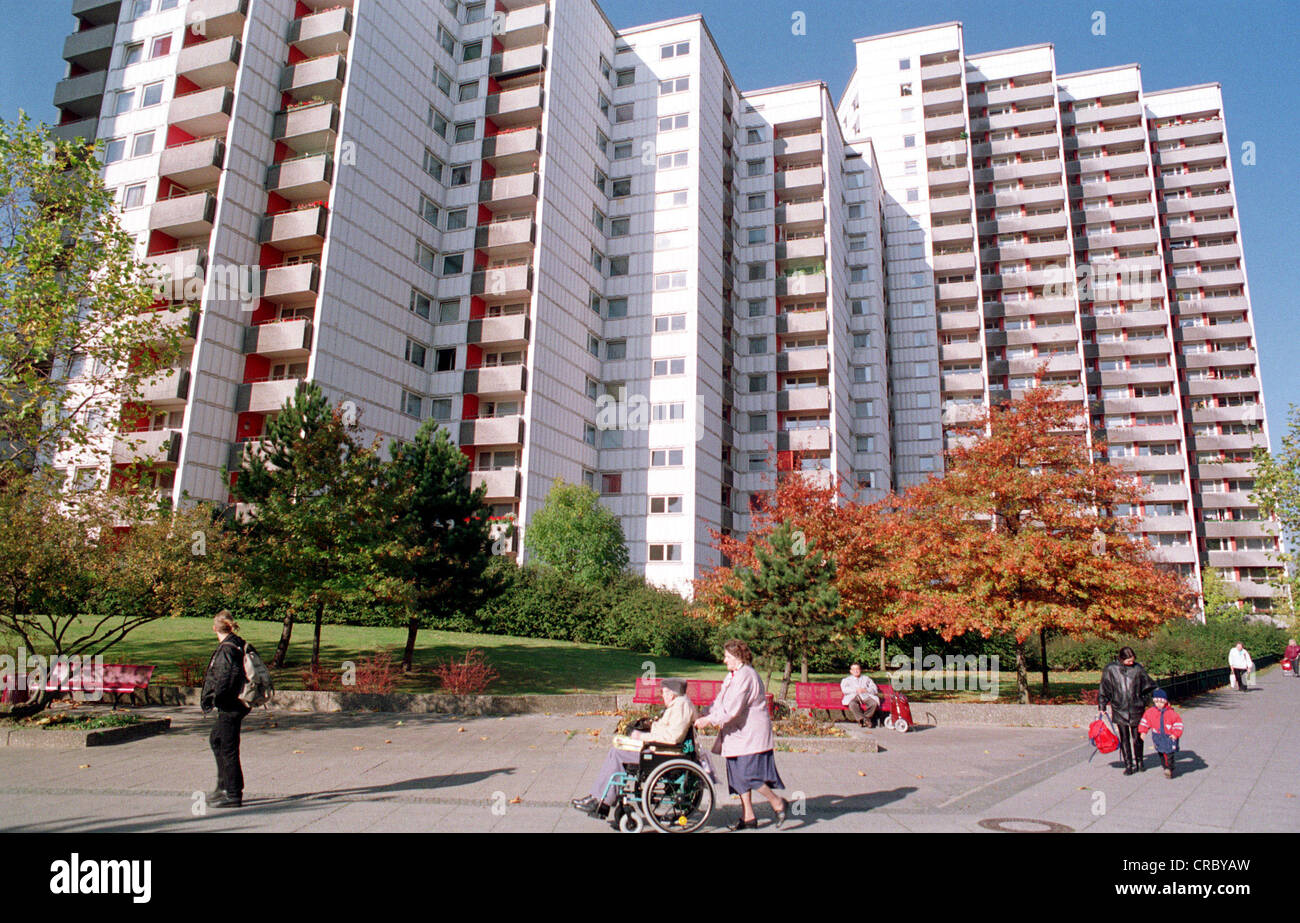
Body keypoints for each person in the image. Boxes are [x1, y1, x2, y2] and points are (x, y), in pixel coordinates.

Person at [694, 640, 787, 831]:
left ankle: (777, 802)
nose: (724, 660)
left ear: (738, 657)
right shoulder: (733, 675)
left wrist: (708, 720)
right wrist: (704, 712)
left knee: (748, 775)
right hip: (737, 734)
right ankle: (748, 817)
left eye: (727, 657)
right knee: (737, 776)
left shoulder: (746, 676)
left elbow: (732, 709)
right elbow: (720, 701)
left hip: (750, 734)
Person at [572, 678, 696, 817]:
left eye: (663, 692)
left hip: (663, 753)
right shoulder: (679, 705)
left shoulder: (680, 707)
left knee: (617, 754)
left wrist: (643, 736)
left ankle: (601, 801)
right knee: (615, 751)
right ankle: (597, 797)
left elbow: (672, 738)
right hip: (660, 750)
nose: (662, 696)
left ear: (671, 694)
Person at [200, 611, 252, 808]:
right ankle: (223, 787)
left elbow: (226, 677)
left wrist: (217, 700)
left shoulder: (227, 649)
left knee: (228, 747)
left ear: (214, 628)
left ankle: (232, 794)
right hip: (237, 703)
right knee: (217, 739)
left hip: (230, 704)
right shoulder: (238, 643)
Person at [1097, 646, 1156, 776]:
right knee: (1124, 738)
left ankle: (1140, 762)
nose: (1131, 663)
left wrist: (1146, 700)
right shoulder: (1111, 669)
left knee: (1137, 737)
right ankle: (1128, 764)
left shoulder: (1138, 668)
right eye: (1128, 661)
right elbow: (1104, 688)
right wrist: (1102, 706)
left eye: (1132, 660)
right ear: (1121, 658)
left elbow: (1150, 685)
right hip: (1119, 708)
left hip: (1136, 707)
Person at [1137, 689, 1184, 779]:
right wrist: (1143, 732)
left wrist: (1175, 734)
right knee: (1161, 753)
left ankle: (1169, 768)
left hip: (1169, 737)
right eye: (1156, 702)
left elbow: (1178, 724)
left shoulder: (1171, 713)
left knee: (1169, 754)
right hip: (1158, 736)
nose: (1159, 704)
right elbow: (1145, 721)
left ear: (1165, 702)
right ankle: (1165, 767)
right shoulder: (1150, 712)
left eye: (1161, 702)